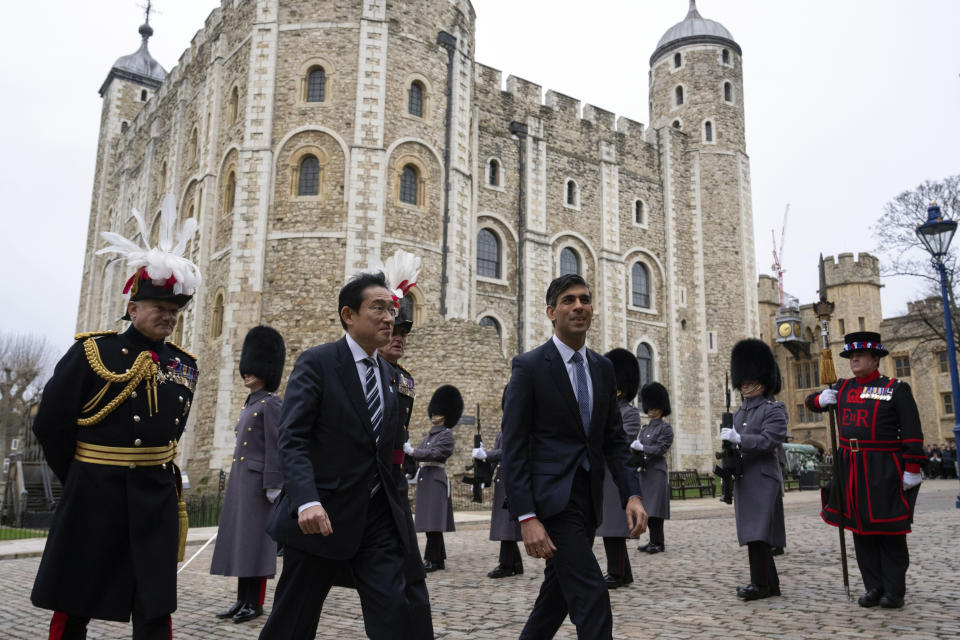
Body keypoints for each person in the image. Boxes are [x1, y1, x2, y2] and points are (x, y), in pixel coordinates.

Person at [31, 193, 201, 639]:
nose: (168, 318)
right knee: (73, 600)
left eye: (174, 312)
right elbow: (50, 423)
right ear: (133, 308)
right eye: (159, 310)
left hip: (154, 497)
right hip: (95, 491)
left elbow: (171, 431)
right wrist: (81, 475)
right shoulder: (92, 352)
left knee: (155, 604)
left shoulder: (184, 364)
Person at [259, 271, 412, 639]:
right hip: (321, 516)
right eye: (378, 308)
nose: (390, 318)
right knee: (293, 622)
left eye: (392, 309)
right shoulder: (318, 362)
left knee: (395, 614)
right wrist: (307, 500)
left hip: (377, 521)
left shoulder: (391, 377)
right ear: (348, 315)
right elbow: (292, 437)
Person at [501, 274, 646, 640]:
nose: (578, 306)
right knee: (591, 596)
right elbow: (514, 448)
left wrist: (632, 493)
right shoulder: (529, 367)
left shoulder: (602, 368)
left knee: (556, 598)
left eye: (584, 299)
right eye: (568, 300)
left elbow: (614, 441)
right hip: (551, 502)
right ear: (551, 312)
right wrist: (527, 516)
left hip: (587, 500)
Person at [805, 331, 924, 609]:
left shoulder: (896, 388)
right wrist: (820, 400)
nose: (854, 359)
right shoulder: (843, 388)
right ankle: (873, 586)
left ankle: (894, 590)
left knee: (889, 531)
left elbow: (912, 432)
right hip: (851, 468)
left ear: (875, 358)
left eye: (859, 355)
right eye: (850, 356)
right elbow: (812, 402)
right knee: (860, 530)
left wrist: (912, 468)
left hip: (883, 467)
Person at [210, 326, 286, 624]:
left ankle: (255, 603)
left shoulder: (271, 403)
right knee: (242, 543)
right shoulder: (250, 404)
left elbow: (276, 447)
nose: (247, 373)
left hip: (259, 485)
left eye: (252, 369)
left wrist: (273, 484)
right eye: (246, 369)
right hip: (242, 482)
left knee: (256, 545)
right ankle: (242, 599)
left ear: (265, 369)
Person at [377, 295, 434, 639]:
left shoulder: (404, 380)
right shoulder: (364, 374)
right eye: (393, 331)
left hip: (393, 488)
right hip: (357, 488)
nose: (399, 337)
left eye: (404, 332)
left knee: (412, 579)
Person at [722, 338, 787, 602]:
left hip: (762, 476)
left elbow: (771, 440)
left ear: (762, 381)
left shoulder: (774, 409)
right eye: (743, 382)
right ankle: (767, 584)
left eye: (750, 382)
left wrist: (741, 440)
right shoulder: (739, 413)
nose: (745, 386)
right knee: (752, 533)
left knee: (760, 532)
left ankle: (761, 584)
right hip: (744, 477)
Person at [595, 348, 642, 589]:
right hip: (603, 475)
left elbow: (623, 439)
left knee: (613, 525)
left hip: (616, 477)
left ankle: (619, 571)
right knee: (608, 527)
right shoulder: (607, 410)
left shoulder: (630, 413)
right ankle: (620, 571)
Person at [405, 385, 463, 572]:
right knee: (431, 523)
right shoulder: (429, 435)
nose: (434, 416)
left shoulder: (446, 435)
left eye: (438, 413)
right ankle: (439, 559)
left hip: (436, 480)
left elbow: (435, 453)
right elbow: (419, 456)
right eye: (433, 412)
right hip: (426, 478)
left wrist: (413, 451)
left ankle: (432, 560)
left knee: (434, 523)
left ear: (446, 415)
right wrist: (409, 469)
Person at [474, 390, 524, 579]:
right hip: (502, 480)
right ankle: (516, 564)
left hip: (512, 479)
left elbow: (507, 451)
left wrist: (486, 454)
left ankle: (506, 564)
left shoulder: (520, 427)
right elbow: (495, 457)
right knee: (506, 524)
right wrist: (481, 478)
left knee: (507, 525)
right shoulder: (502, 430)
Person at [631, 381, 673, 555]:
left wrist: (644, 449)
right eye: (649, 408)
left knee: (656, 509)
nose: (650, 411)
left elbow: (661, 448)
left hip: (656, 472)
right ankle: (652, 541)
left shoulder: (666, 428)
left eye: (654, 408)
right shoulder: (644, 429)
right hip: (645, 472)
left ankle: (658, 542)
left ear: (661, 409)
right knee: (648, 508)